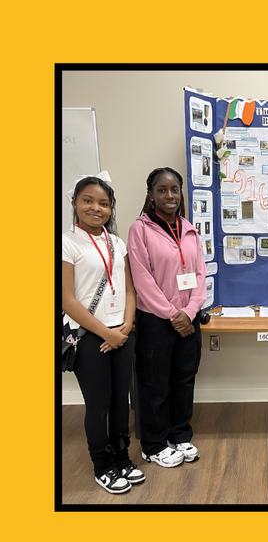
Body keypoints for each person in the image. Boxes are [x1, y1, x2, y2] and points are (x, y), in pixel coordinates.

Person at [62, 173, 141, 494]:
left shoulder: (116, 242)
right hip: (89, 335)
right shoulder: (66, 243)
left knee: (121, 401)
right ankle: (102, 465)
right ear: (74, 203)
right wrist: (107, 334)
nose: (96, 208)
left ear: (111, 209)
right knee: (98, 404)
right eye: (88, 201)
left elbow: (131, 290)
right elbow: (66, 300)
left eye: (104, 203)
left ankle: (121, 456)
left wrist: (125, 326)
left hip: (122, 331)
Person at [127, 167, 207, 469]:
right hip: (157, 322)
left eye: (174, 189)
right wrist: (172, 314)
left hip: (188, 319)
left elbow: (200, 274)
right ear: (151, 194)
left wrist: (188, 312)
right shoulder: (141, 229)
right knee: (154, 384)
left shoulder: (189, 227)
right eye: (162, 190)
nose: (169, 195)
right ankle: (154, 444)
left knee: (184, 380)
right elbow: (142, 279)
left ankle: (179, 435)